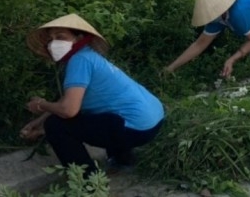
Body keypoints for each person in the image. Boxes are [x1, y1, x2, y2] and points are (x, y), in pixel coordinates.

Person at [22, 14, 164, 175]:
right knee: (107, 115)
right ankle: (123, 160)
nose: (54, 43)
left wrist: (40, 105)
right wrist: (39, 121)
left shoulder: (79, 61)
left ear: (78, 37)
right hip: (152, 119)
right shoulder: (88, 56)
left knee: (55, 125)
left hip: (136, 128)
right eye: (51, 39)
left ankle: (87, 182)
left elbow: (69, 110)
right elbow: (69, 100)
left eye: (60, 37)